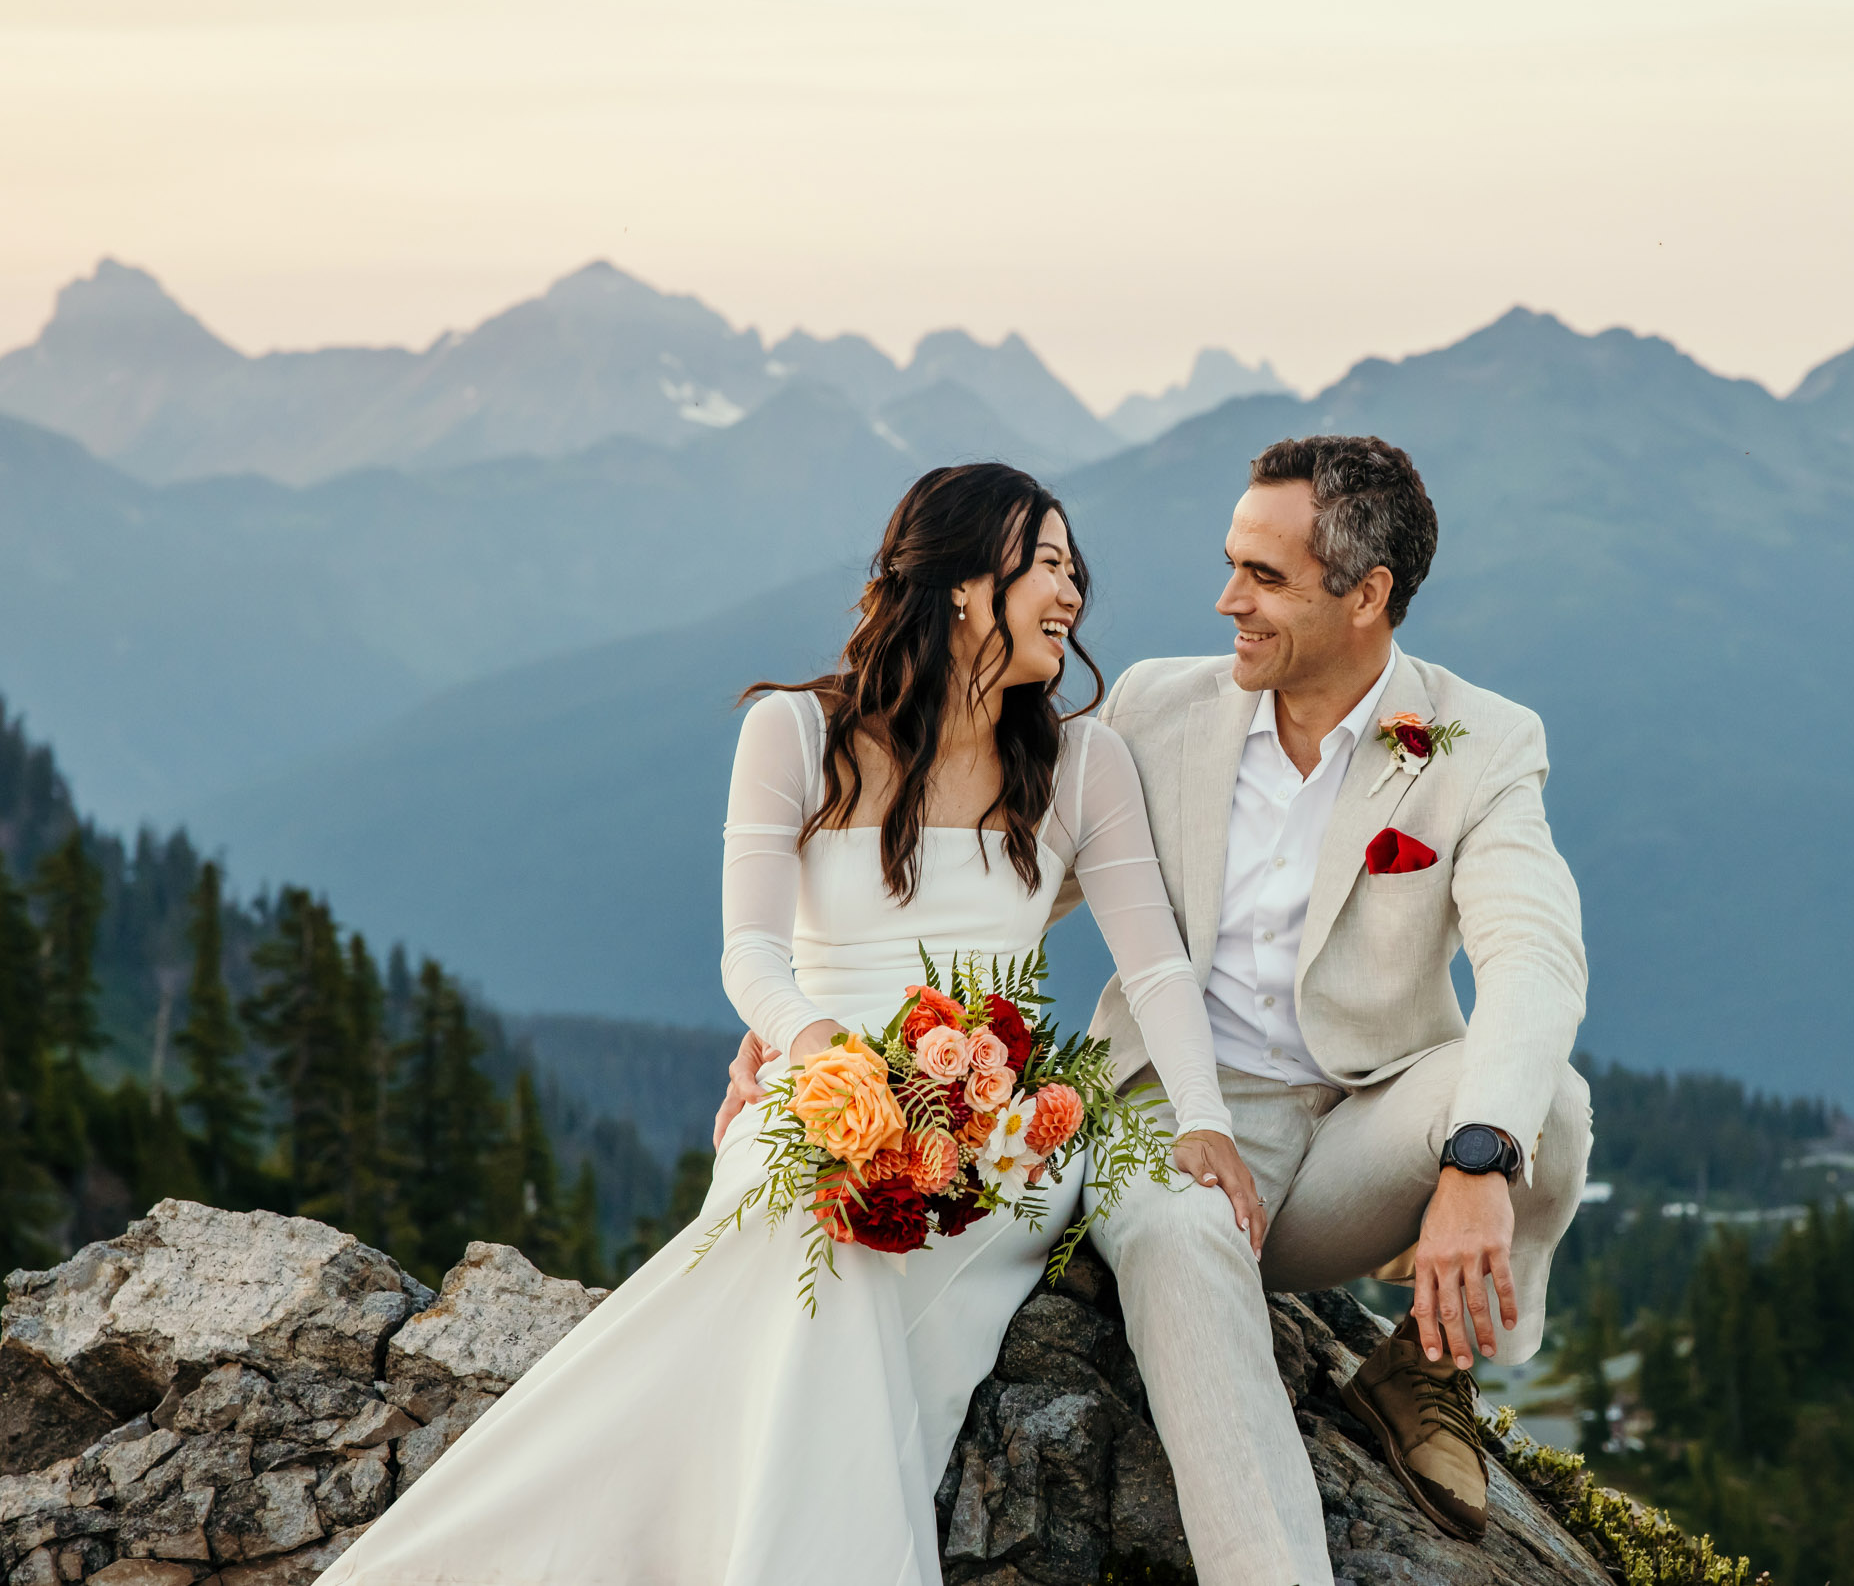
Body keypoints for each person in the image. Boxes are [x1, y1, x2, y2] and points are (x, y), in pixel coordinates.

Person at [324, 462, 1259, 1586]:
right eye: (1049, 564)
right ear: (967, 584)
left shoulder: (1081, 761)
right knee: (821, 1202)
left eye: (1072, 569)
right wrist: (820, 1054)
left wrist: (1200, 1116)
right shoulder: (793, 731)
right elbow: (750, 951)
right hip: (817, 1094)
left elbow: (1153, 960)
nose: (1073, 593)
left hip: (996, 1132)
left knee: (859, 1244)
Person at [1073, 435, 1592, 1586]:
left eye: (1264, 577)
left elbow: (1535, 955)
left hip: (1361, 1132)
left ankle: (1424, 1369)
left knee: (1544, 1100)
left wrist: (1473, 1157)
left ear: (1368, 596)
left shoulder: (1480, 738)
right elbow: (993, 874)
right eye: (1231, 565)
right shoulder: (1153, 707)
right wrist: (814, 1018)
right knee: (1173, 1230)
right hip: (1175, 1110)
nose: (1226, 601)